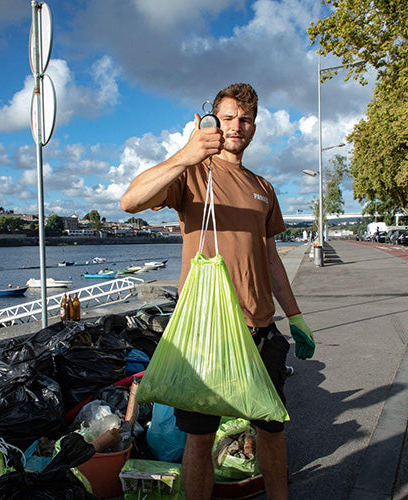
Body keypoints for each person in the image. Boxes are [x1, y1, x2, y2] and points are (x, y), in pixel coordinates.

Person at [120, 83, 314, 500]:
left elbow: (272, 260)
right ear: (213, 121)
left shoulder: (263, 186)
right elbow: (130, 201)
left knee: (272, 431)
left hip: (260, 329)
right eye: (228, 118)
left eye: (245, 120)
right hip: (206, 334)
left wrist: (295, 316)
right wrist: (187, 153)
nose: (236, 127)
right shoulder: (193, 173)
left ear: (254, 127)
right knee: (200, 439)